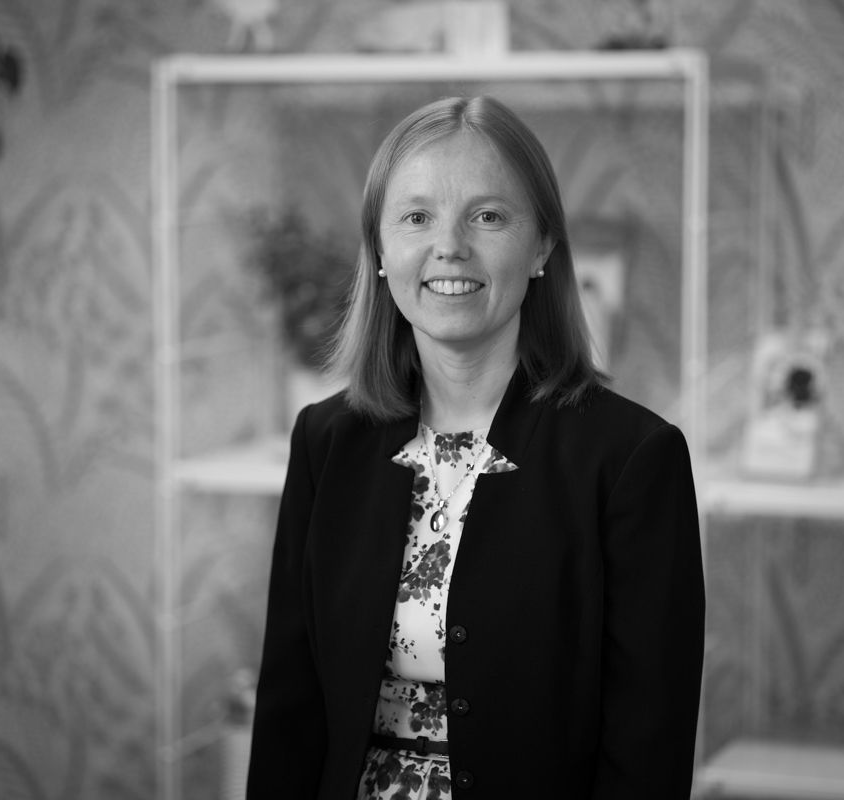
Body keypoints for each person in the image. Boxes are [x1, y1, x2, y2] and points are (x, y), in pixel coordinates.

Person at [247, 95, 704, 799]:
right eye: (416, 217)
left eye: (487, 216)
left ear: (544, 245)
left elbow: (648, 752)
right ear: (377, 249)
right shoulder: (324, 441)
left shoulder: (634, 461)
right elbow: (289, 714)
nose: (449, 247)